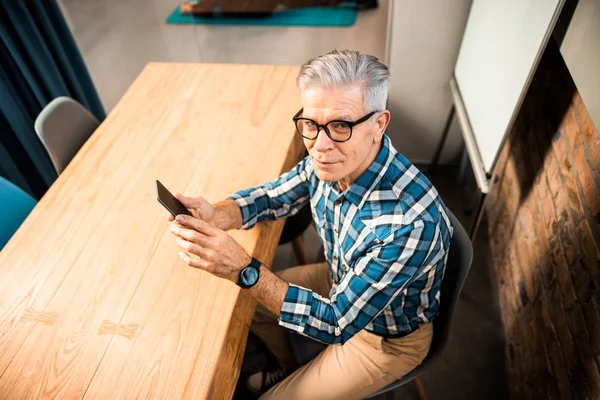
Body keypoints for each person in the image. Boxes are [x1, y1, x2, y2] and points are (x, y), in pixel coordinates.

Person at [168, 49, 453, 399]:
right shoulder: (334, 160)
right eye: (311, 124)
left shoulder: (410, 224)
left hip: (383, 339)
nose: (319, 146)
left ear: (379, 124)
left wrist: (243, 267)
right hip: (340, 280)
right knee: (249, 308)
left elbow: (336, 322)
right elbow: (274, 196)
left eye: (340, 126)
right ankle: (290, 372)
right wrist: (217, 213)